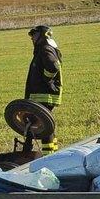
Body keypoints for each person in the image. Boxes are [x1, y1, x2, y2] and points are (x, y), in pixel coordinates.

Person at [24, 24, 63, 152]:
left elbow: (53, 67)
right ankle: (53, 153)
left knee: (44, 126)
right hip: (42, 95)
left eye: (34, 35)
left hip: (45, 95)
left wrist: (47, 79)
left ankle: (48, 155)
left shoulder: (45, 49)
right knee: (46, 125)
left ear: (42, 35)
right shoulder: (43, 49)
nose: (32, 38)